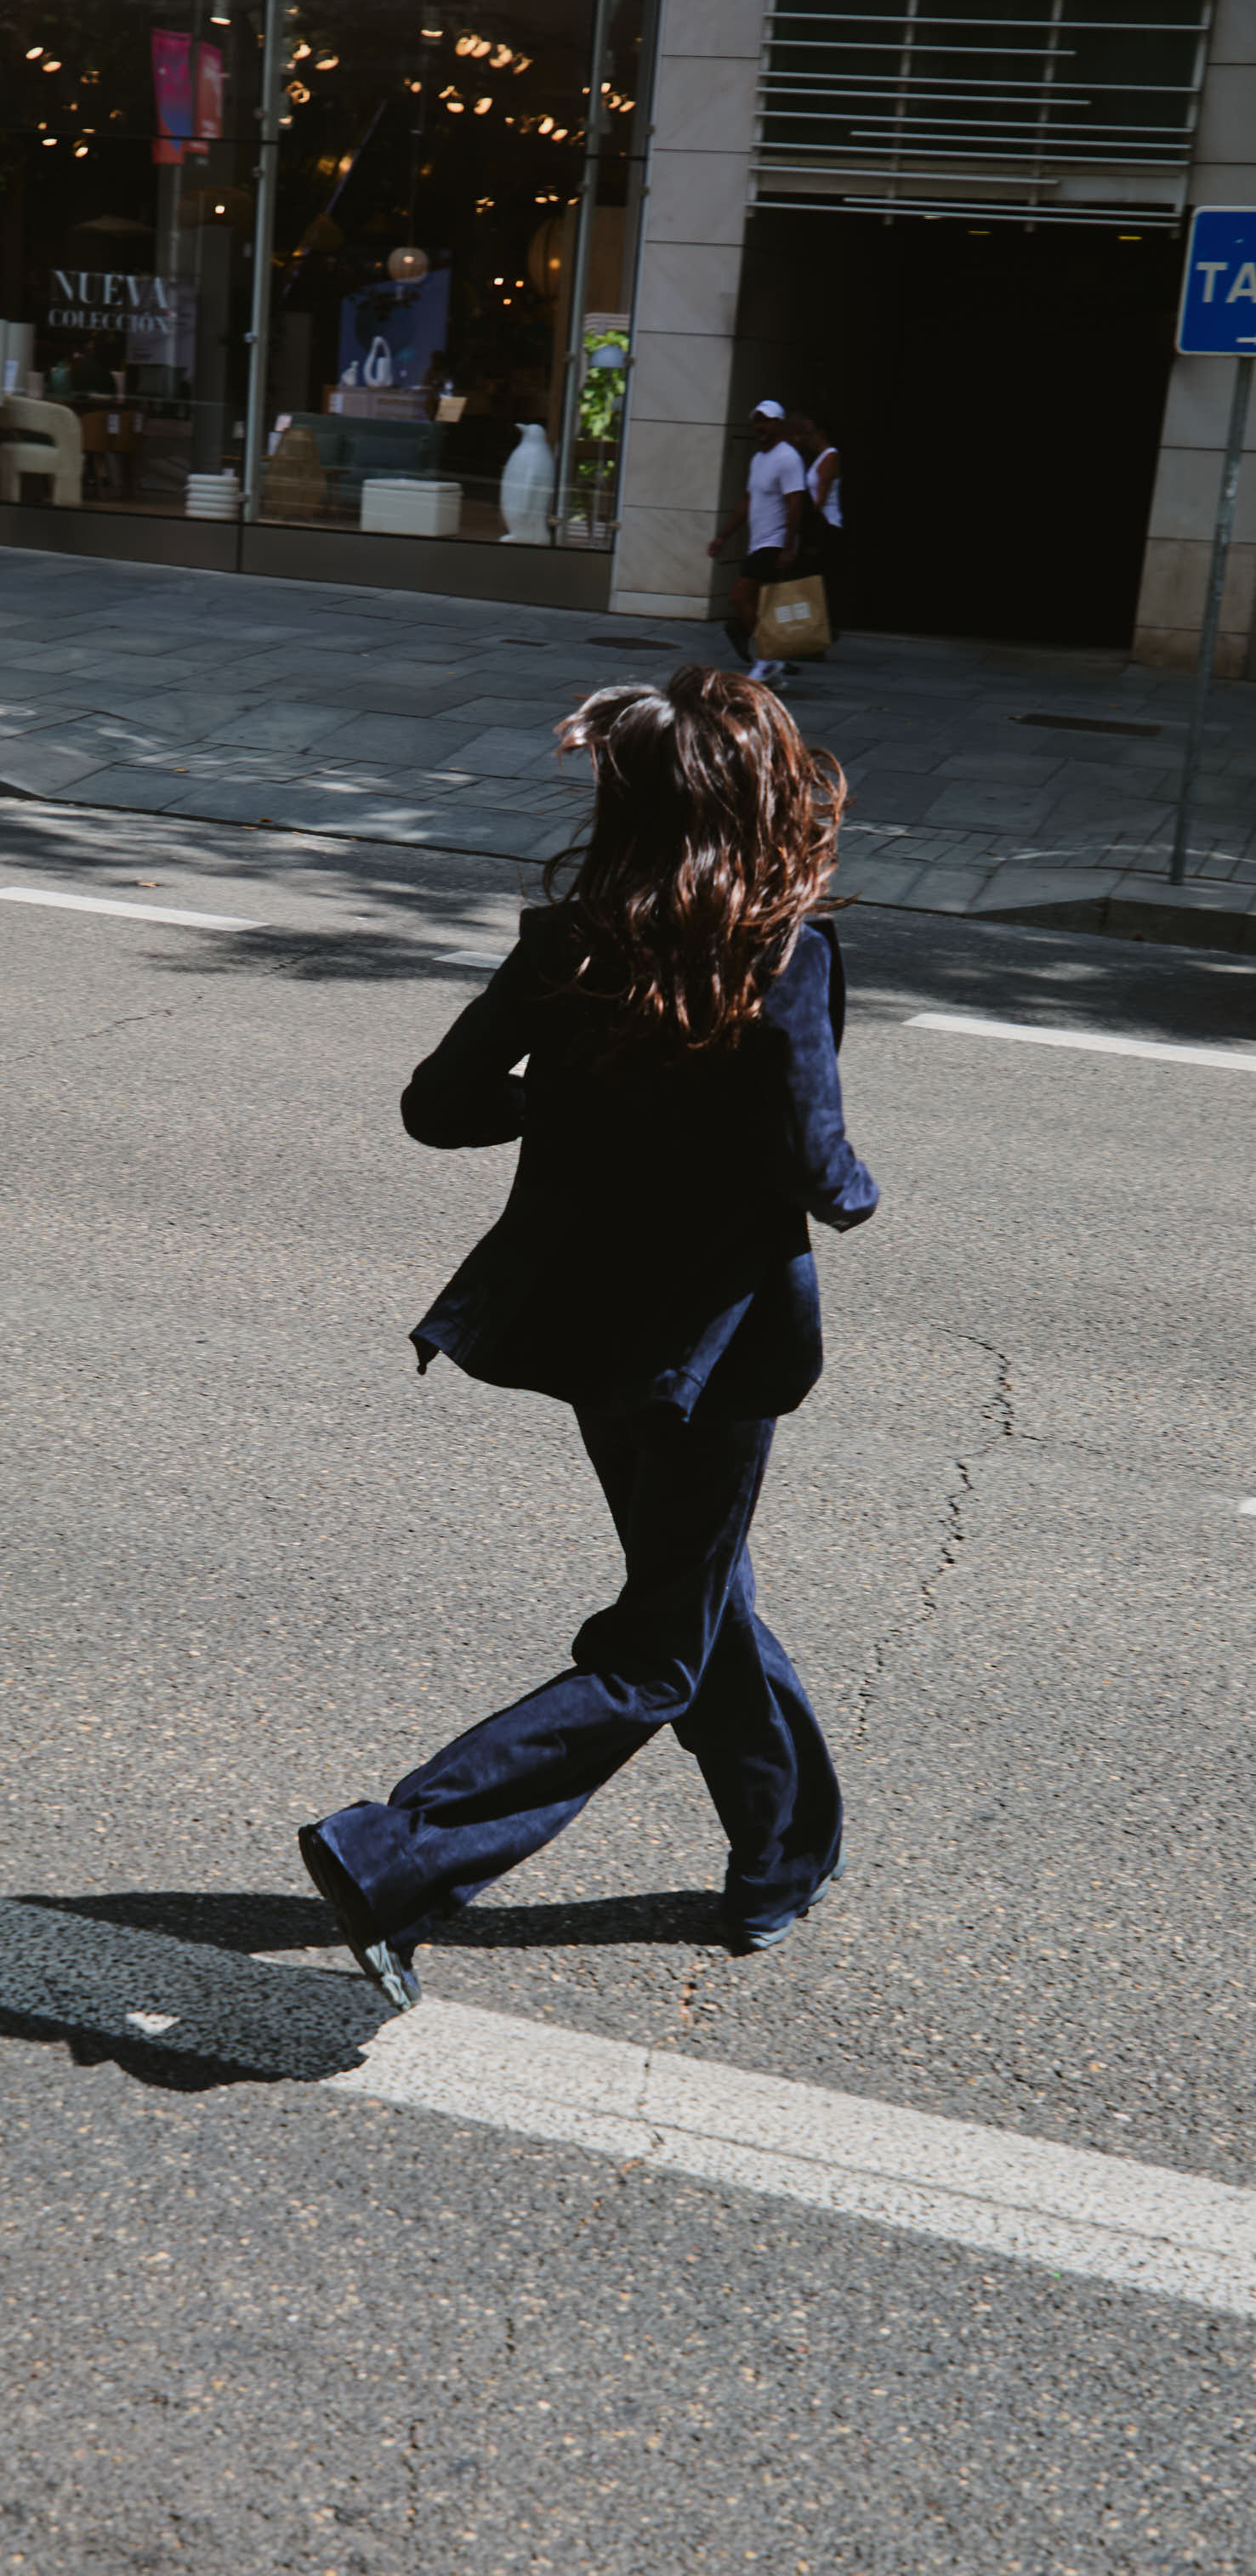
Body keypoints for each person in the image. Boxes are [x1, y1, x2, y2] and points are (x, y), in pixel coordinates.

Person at [298, 666, 880, 2011]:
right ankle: (399, 1849)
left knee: (700, 1590)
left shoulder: (567, 939)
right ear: (753, 799)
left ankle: (782, 1858)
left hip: (586, 1329)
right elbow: (809, 1157)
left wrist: (566, 1108)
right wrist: (861, 1195)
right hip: (718, 1345)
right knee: (660, 1648)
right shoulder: (783, 953)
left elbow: (440, 1106)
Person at [708, 399, 806, 685]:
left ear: (779, 424)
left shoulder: (788, 458)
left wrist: (789, 547)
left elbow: (795, 504)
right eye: (757, 421)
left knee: (739, 597)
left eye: (767, 421)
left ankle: (767, 660)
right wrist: (724, 536)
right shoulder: (759, 459)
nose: (760, 427)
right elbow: (748, 502)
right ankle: (772, 665)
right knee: (759, 604)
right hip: (759, 541)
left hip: (774, 543)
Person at [787, 409, 846, 645]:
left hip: (825, 527)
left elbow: (819, 501)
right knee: (811, 583)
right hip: (818, 526)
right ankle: (815, 633)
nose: (804, 439)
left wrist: (811, 536)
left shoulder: (830, 457)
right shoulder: (820, 458)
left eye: (808, 434)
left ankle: (821, 635)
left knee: (816, 583)